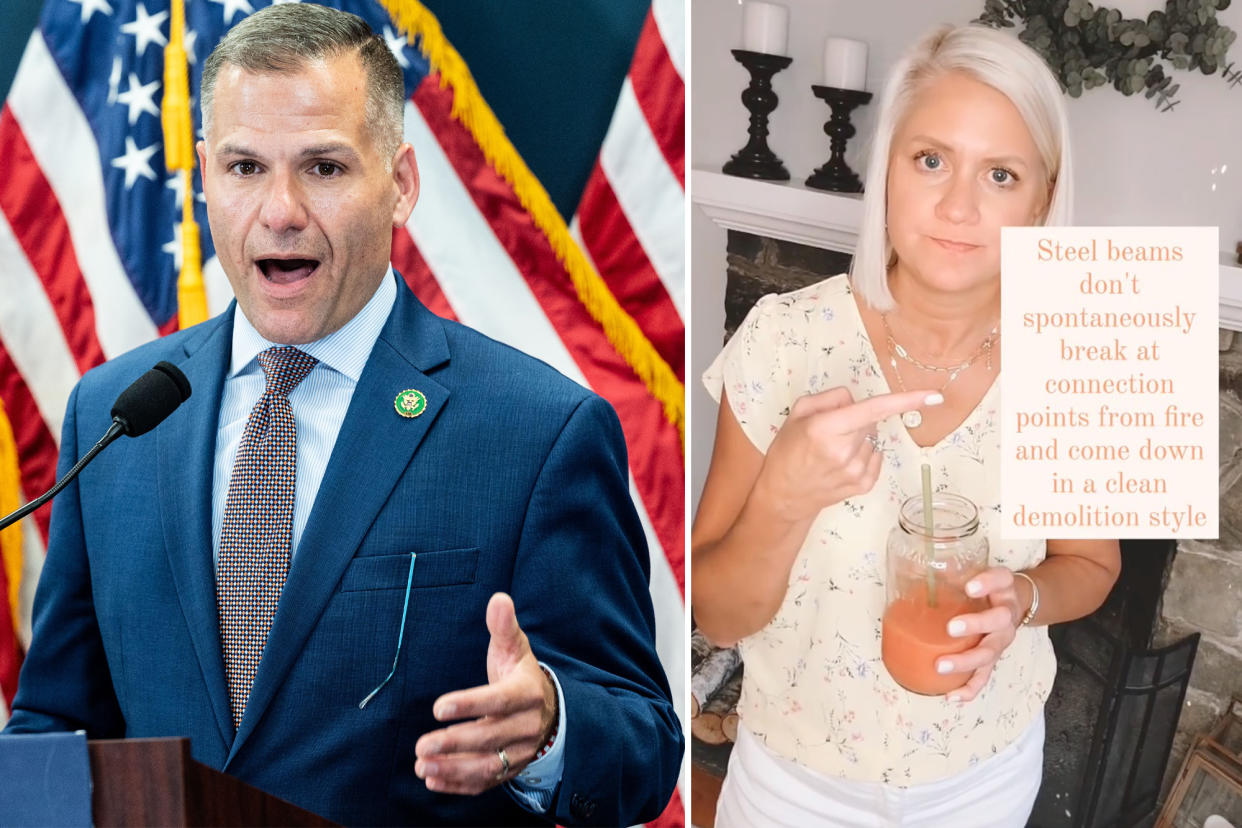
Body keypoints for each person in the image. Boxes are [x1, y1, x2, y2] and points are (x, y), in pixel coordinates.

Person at [4, 5, 682, 826]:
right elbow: (56, 723)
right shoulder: (113, 416)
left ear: (400, 184)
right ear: (204, 177)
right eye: (246, 167)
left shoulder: (539, 432)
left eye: (323, 168)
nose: (281, 209)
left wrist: (552, 729)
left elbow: (643, 746)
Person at [692, 23, 1121, 828]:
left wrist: (1023, 599)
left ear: (1042, 197)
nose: (958, 205)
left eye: (1000, 174)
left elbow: (1093, 565)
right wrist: (785, 496)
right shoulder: (785, 341)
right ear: (886, 167)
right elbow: (715, 614)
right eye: (930, 160)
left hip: (983, 783)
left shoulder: (1079, 348)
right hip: (794, 783)